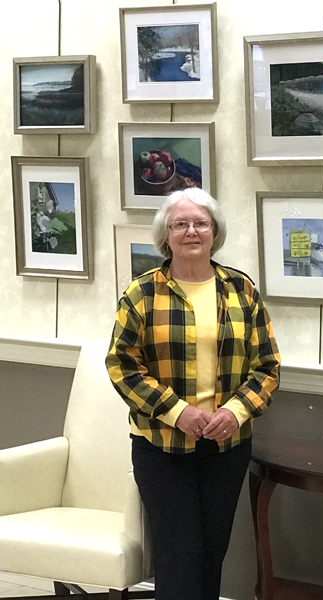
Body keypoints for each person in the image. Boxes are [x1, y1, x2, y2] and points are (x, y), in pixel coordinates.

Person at [106, 187, 280, 600]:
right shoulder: (142, 293)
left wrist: (235, 413)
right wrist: (176, 412)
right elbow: (122, 366)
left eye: (200, 223)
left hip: (227, 445)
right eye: (180, 223)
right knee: (178, 555)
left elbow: (267, 366)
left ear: (214, 232)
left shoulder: (241, 290)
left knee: (210, 554)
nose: (191, 231)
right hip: (161, 446)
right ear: (165, 235)